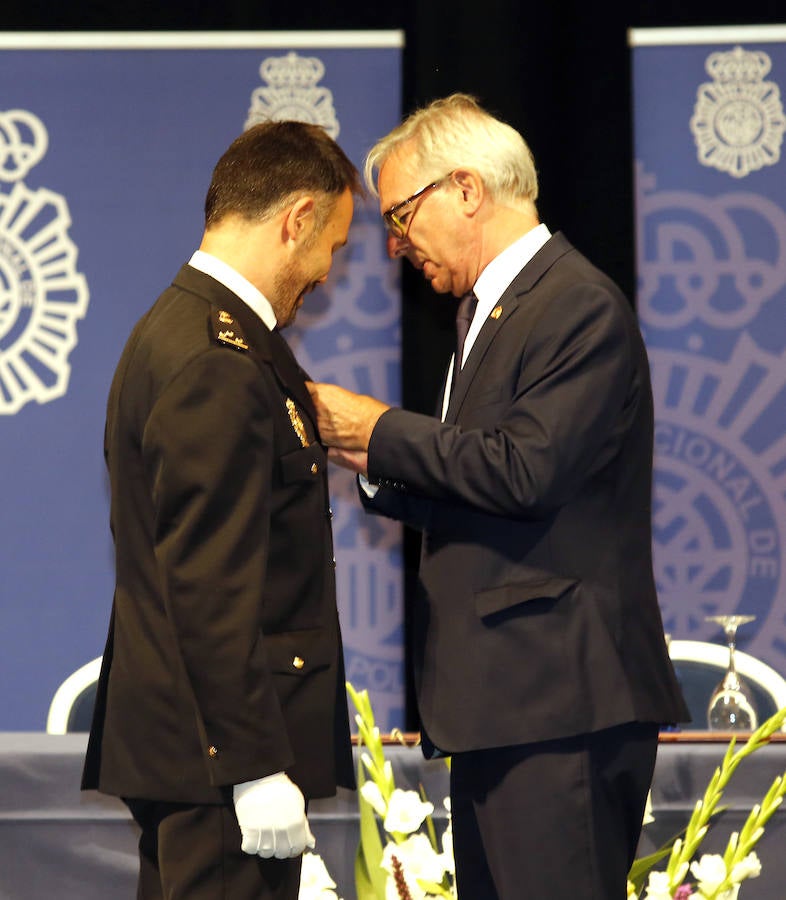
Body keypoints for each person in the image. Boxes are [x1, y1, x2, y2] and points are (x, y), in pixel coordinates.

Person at [307, 94, 689, 899]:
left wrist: (380, 426)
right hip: (507, 708)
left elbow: (525, 469)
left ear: (468, 190)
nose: (395, 243)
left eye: (403, 215)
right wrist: (368, 458)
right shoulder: (489, 312)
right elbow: (482, 488)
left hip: (561, 706)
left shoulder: (575, 305)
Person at [81, 120, 361, 900]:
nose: (326, 275)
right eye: (332, 248)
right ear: (296, 219)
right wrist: (252, 766)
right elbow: (210, 584)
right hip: (218, 766)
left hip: (193, 752)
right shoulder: (217, 360)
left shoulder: (183, 329)